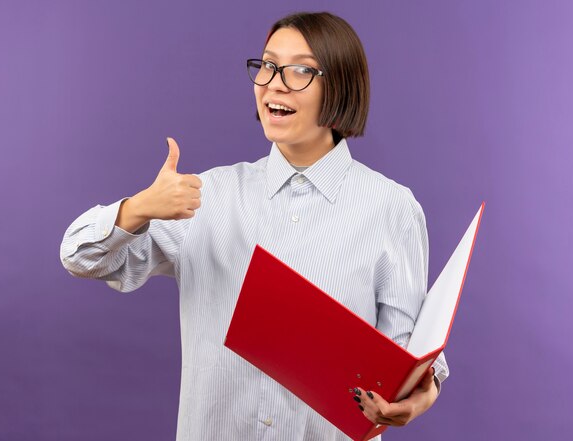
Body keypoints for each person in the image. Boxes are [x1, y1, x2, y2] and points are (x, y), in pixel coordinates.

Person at [60, 11, 448, 441]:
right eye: (267, 65)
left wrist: (416, 398)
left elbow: (409, 359)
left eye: (301, 69)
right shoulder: (205, 196)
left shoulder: (391, 208)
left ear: (340, 85)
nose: (275, 82)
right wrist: (139, 208)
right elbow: (80, 256)